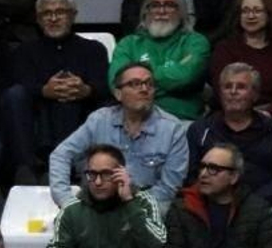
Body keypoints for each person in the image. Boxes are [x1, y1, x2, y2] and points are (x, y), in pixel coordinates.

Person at [1, 0, 110, 185]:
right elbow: (17, 84)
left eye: (60, 12)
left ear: (73, 15)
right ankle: (28, 170)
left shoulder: (93, 49)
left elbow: (104, 86)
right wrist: (44, 90)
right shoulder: (24, 51)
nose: (53, 18)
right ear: (38, 19)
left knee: (71, 97)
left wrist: (86, 90)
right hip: (36, 125)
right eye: (46, 13)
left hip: (80, 121)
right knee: (15, 95)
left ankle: (70, 165)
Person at [49, 63, 189, 213]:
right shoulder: (100, 120)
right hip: (97, 204)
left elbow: (167, 189)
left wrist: (132, 211)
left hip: (145, 208)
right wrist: (66, 200)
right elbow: (60, 155)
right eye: (135, 84)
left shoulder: (173, 129)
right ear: (118, 94)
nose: (144, 89)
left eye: (149, 84)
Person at [184, 63, 272, 206]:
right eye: (227, 87)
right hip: (211, 204)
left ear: (255, 95)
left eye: (241, 87)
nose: (233, 92)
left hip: (263, 206)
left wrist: (251, 203)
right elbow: (191, 177)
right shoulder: (200, 130)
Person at [109, 0, 210, 121]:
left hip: (181, 120)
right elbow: (116, 83)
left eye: (169, 5)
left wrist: (136, 82)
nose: (161, 11)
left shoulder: (195, 42)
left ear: (181, 11)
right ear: (146, 10)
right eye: (155, 5)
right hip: (134, 119)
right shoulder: (128, 44)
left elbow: (185, 77)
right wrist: (169, 79)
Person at [207, 0, 272, 118]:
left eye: (257, 11)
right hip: (232, 114)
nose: (250, 16)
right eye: (245, 11)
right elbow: (221, 90)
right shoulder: (224, 49)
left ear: (270, 14)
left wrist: (267, 114)